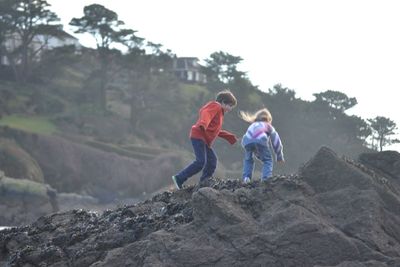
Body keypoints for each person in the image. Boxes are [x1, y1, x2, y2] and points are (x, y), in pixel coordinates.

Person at [172, 90, 238, 189]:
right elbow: (205, 113)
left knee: (212, 161)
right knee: (200, 162)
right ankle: (179, 178)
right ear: (223, 102)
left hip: (203, 140)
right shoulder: (216, 106)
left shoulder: (219, 113)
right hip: (198, 136)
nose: (230, 109)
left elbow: (216, 130)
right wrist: (203, 123)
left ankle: (204, 182)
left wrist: (230, 137)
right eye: (230, 105)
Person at [239, 108, 284, 183]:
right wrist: (279, 156)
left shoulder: (252, 125)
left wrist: (256, 151)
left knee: (248, 160)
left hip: (247, 141)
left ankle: (246, 178)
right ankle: (266, 179)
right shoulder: (268, 126)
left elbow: (249, 138)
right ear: (268, 119)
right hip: (260, 141)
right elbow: (276, 141)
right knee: (268, 160)